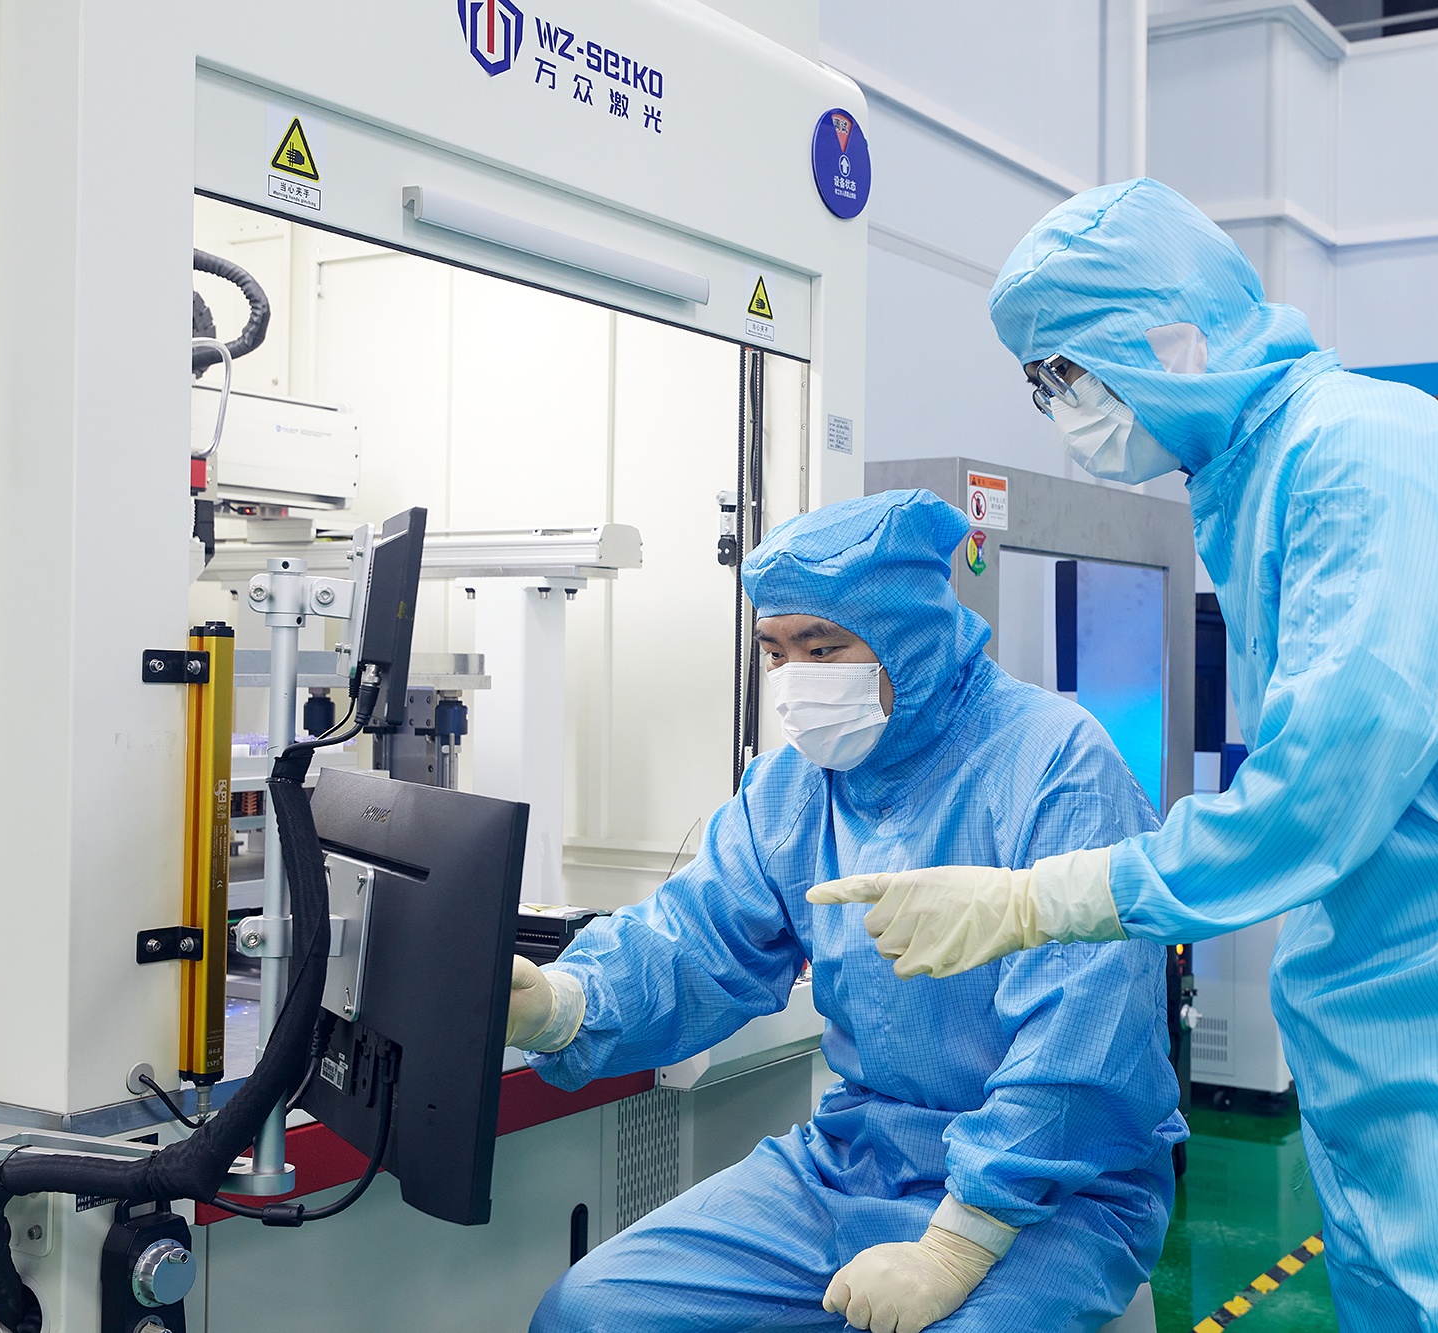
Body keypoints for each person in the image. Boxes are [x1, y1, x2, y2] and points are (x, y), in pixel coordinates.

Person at [810, 181, 1438, 1331]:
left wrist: (1038, 899)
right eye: (1037, 384)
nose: (1057, 408)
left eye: (1063, 372)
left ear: (1167, 335)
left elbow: (1318, 791)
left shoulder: (1364, 460)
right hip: (1400, 1036)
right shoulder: (1250, 484)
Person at [507, 488, 1185, 1333]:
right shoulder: (796, 786)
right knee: (591, 1311)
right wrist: (564, 1003)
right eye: (776, 652)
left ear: (907, 636)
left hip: (1056, 1191)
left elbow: (1083, 1044)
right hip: (856, 1159)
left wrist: (956, 1246)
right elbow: (696, 938)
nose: (796, 680)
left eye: (823, 647)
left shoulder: (1057, 764)